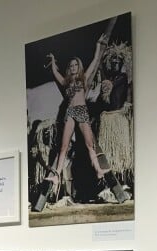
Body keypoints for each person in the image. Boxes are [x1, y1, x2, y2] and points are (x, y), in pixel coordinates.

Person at [45, 34, 109, 194]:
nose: (73, 67)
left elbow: (95, 62)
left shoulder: (84, 78)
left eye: (75, 65)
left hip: (82, 111)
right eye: (71, 66)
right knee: (64, 146)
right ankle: (56, 175)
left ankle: (98, 170)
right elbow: (55, 73)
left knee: (89, 144)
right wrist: (53, 61)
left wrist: (98, 45)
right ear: (69, 68)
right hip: (70, 112)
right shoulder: (66, 82)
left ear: (78, 67)